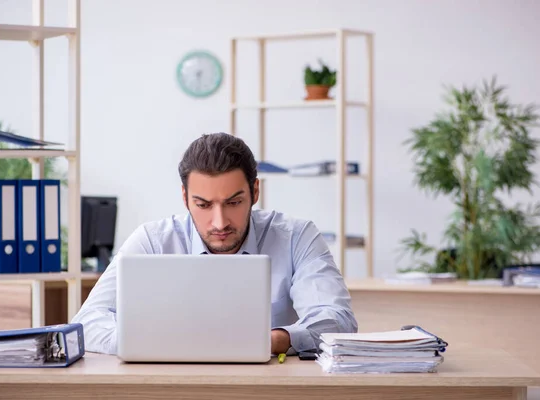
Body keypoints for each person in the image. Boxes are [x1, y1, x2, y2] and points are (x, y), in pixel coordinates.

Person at [71, 132, 358, 355]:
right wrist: (161, 342)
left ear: (255, 191)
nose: (219, 222)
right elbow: (88, 323)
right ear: (185, 198)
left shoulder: (297, 236)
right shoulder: (152, 241)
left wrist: (275, 340)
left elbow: (337, 322)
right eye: (203, 204)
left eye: (233, 202)